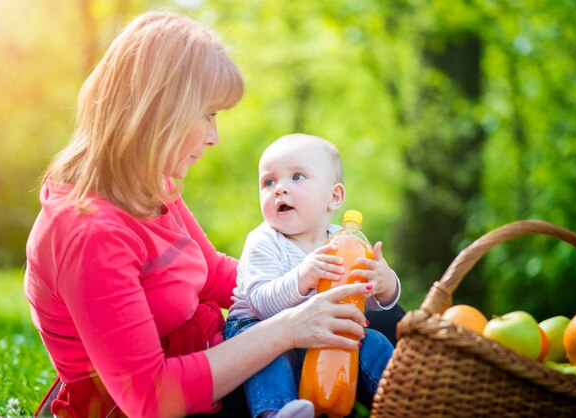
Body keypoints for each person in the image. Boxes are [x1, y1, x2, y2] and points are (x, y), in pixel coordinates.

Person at [23, 11, 380, 418]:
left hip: (210, 364)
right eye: (207, 114)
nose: (214, 137)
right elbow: (151, 397)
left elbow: (215, 275)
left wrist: (309, 280)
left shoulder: (148, 187)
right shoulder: (86, 230)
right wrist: (288, 328)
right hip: (156, 406)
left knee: (369, 324)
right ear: (161, 110)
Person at [224, 134, 401, 418]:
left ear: (334, 197)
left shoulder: (345, 242)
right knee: (270, 358)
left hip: (318, 333)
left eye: (297, 176)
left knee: (374, 341)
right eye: (268, 182)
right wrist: (302, 277)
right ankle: (277, 412)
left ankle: (407, 399)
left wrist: (383, 284)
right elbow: (260, 303)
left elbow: (359, 301)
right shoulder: (264, 240)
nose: (279, 189)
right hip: (259, 329)